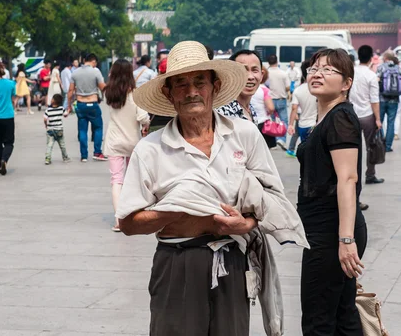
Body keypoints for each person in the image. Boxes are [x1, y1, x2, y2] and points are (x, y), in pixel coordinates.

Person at [115, 41, 308, 336]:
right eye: (181, 84)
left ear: (215, 86)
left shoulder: (243, 134)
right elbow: (128, 223)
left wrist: (246, 223)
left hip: (231, 258)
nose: (191, 91)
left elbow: (273, 198)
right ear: (168, 93)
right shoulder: (150, 149)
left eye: (199, 82)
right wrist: (175, 209)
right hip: (177, 262)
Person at [297, 48, 367, 335]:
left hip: (332, 230)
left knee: (319, 319)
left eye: (328, 70)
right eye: (314, 68)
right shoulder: (325, 117)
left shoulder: (340, 117)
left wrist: (345, 238)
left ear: (346, 83)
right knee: (341, 314)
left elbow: (348, 178)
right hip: (326, 229)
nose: (317, 74)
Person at [103, 59, 150, 232]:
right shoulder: (135, 94)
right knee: (132, 180)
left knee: (116, 180)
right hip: (133, 142)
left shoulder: (109, 93)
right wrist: (146, 126)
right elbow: (143, 117)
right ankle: (132, 214)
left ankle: (118, 220)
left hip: (114, 141)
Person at [350, 45, 384, 187]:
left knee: (353, 148)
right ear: (371, 58)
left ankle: (353, 176)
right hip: (367, 115)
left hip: (351, 115)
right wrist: (377, 119)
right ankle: (370, 174)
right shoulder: (371, 76)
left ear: (358, 56)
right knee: (371, 146)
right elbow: (374, 100)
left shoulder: (351, 72)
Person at [67, 53, 107, 162]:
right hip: (93, 103)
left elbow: (70, 91)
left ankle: (84, 156)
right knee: (98, 128)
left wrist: (69, 106)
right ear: (93, 61)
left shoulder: (75, 73)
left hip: (80, 104)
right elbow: (103, 87)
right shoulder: (96, 72)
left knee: (82, 130)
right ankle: (97, 152)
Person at [217, 49, 262, 122]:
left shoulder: (251, 110)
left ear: (262, 75)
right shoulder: (223, 112)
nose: (250, 77)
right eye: (243, 70)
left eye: (255, 70)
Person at [287, 60, 317, 157]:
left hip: (303, 126)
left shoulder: (298, 90)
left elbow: (294, 108)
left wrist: (290, 125)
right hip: (316, 125)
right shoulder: (318, 88)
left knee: (306, 153)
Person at [377, 51, 401, 152]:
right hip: (394, 99)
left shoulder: (381, 67)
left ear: (385, 58)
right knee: (391, 122)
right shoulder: (398, 68)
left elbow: (376, 79)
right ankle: (388, 146)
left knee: (379, 121)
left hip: (382, 98)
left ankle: (380, 144)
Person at [266, 54, 290, 149]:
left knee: (271, 122)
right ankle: (282, 140)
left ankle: (273, 141)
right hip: (281, 99)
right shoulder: (283, 73)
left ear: (268, 62)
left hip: (269, 100)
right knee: (284, 120)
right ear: (277, 61)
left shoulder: (266, 74)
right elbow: (288, 87)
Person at [251, 66, 277, 148]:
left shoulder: (248, 88)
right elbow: (271, 108)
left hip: (250, 122)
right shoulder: (264, 90)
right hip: (262, 122)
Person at [44, 94, 70, 165]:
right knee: (62, 145)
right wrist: (68, 111)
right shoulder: (61, 108)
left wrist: (46, 125)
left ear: (53, 100)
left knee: (49, 145)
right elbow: (65, 115)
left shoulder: (48, 110)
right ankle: (65, 157)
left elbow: (45, 119)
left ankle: (47, 158)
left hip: (50, 130)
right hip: (59, 130)